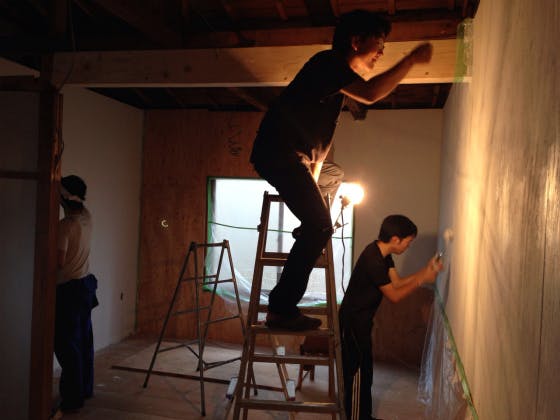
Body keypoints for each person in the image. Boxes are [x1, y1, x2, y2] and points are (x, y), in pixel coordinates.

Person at [250, 10, 433, 331]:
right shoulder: (328, 63)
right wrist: (411, 60)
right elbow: (371, 93)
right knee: (321, 227)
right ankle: (280, 309)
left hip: (296, 159)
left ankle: (308, 229)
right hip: (278, 154)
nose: (381, 52)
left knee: (333, 176)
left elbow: (319, 152)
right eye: (379, 44)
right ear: (356, 41)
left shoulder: (335, 86)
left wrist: (312, 192)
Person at [339, 215, 442, 420]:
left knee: (366, 373)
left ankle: (364, 416)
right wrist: (422, 279)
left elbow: (397, 283)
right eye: (408, 242)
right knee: (357, 373)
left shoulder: (383, 254)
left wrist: (426, 271)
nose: (408, 246)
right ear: (395, 239)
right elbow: (394, 296)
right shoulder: (373, 259)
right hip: (352, 323)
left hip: (362, 322)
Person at [54, 175, 99, 414]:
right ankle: (85, 389)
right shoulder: (87, 217)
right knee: (82, 341)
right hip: (84, 288)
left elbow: (59, 262)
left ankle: (72, 399)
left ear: (63, 198)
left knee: (66, 345)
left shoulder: (65, 226)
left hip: (68, 291)